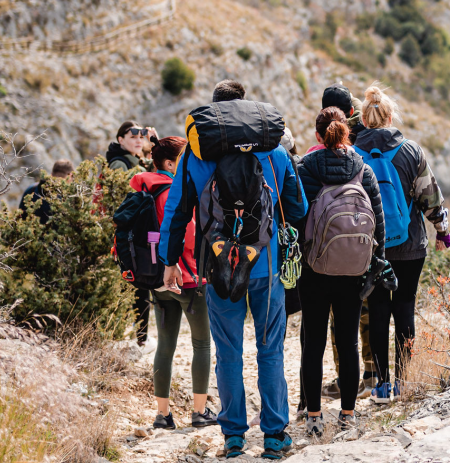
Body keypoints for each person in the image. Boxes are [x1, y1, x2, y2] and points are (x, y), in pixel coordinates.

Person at [158, 80, 307, 459]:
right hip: (266, 265)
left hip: (219, 267)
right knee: (270, 350)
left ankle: (234, 437)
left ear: (216, 111)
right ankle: (274, 437)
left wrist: (169, 261)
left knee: (228, 353)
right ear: (246, 107)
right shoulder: (273, 149)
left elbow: (177, 210)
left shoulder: (196, 153)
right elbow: (299, 207)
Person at [355, 86, 450, 404]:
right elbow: (430, 196)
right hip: (410, 245)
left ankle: (381, 387)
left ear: (364, 120)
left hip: (372, 248)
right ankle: (404, 383)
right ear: (390, 117)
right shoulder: (411, 151)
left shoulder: (353, 154)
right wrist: (442, 231)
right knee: (405, 309)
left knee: (378, 311)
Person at [297, 107, 386, 436]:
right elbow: (378, 222)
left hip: (314, 269)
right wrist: (376, 264)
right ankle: (348, 415)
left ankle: (314, 417)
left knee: (314, 343)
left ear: (318, 136)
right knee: (348, 342)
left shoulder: (305, 167)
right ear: (347, 133)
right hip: (353, 269)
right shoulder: (363, 168)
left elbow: (296, 216)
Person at [130, 137, 219, 430]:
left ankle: (162, 415)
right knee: (202, 344)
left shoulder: (146, 189)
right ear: (170, 163)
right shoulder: (174, 190)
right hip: (187, 278)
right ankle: (199, 412)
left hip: (156, 279)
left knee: (165, 346)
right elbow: (188, 236)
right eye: (183, 158)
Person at [108, 120, 161, 346]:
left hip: (133, 234)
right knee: (133, 285)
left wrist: (155, 144)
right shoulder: (119, 164)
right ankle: (135, 339)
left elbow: (161, 167)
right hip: (127, 236)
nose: (139, 141)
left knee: (138, 285)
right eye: (133, 137)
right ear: (121, 140)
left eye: (141, 137)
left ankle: (139, 338)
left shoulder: (137, 162)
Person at [18, 159, 74, 225]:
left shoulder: (31, 189)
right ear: (70, 175)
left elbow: (19, 218)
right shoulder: (69, 198)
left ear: (52, 173)